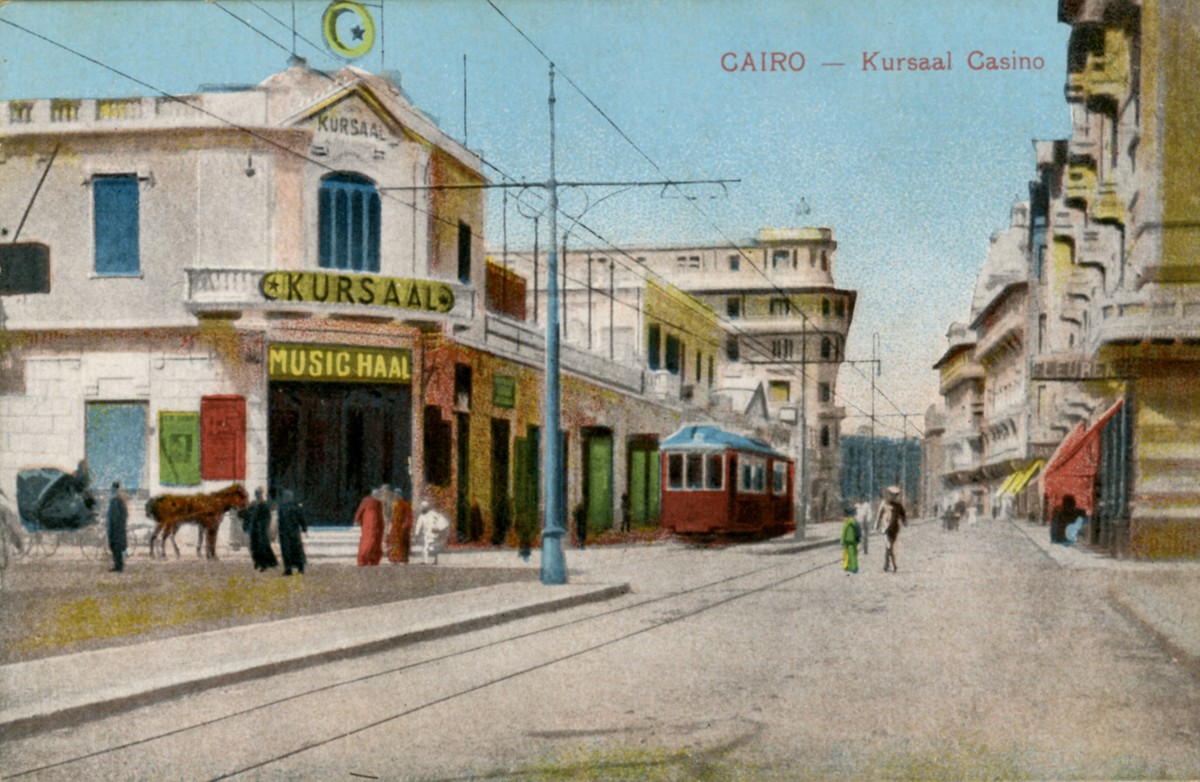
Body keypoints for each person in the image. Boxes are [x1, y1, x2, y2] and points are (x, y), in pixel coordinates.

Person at [241, 487, 277, 571]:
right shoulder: (253, 504)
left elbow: (267, 518)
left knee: (262, 547)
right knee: (254, 547)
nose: (257, 495)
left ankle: (264, 564)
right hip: (253, 529)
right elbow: (247, 514)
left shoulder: (264, 505)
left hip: (261, 530)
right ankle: (257, 562)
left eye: (258, 493)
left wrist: (263, 527)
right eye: (256, 493)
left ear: (261, 494)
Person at [277, 490, 308, 576]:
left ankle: (289, 569)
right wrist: (304, 529)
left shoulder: (282, 509)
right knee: (296, 550)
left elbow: (280, 522)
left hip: (286, 533)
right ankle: (299, 568)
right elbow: (302, 519)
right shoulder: (296, 507)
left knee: (287, 551)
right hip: (293, 532)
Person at [353, 486, 385, 566]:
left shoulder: (378, 502)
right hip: (368, 524)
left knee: (373, 541)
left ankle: (371, 559)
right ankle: (365, 559)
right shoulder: (367, 500)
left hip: (375, 524)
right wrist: (357, 519)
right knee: (369, 541)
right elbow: (361, 510)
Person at [879, 486, 908, 573]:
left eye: (895, 495)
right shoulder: (884, 504)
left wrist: (904, 521)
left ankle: (886, 565)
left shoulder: (898, 506)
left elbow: (903, 515)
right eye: (891, 495)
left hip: (895, 529)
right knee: (889, 546)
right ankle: (893, 565)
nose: (893, 497)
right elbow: (879, 514)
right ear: (888, 495)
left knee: (888, 547)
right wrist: (876, 524)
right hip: (886, 528)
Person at [105, 481, 128, 573]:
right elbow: (125, 514)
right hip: (119, 527)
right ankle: (118, 566)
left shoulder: (116, 500)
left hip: (116, 528)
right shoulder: (120, 500)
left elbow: (114, 516)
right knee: (116, 547)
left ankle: (119, 566)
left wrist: (113, 524)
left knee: (116, 547)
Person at [386, 489, 413, 564]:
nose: (395, 496)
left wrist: (406, 525)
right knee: (394, 543)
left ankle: (402, 559)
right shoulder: (395, 503)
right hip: (395, 527)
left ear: (399, 495)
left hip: (402, 527)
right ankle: (394, 558)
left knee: (402, 543)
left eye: (396, 494)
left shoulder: (405, 504)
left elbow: (408, 516)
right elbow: (392, 516)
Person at [840, 504, 861, 575]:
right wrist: (858, 539)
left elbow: (844, 532)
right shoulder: (856, 522)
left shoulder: (846, 522)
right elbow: (859, 531)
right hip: (854, 540)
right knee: (854, 554)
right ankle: (855, 567)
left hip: (847, 541)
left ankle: (846, 566)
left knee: (846, 553)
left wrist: (842, 541)